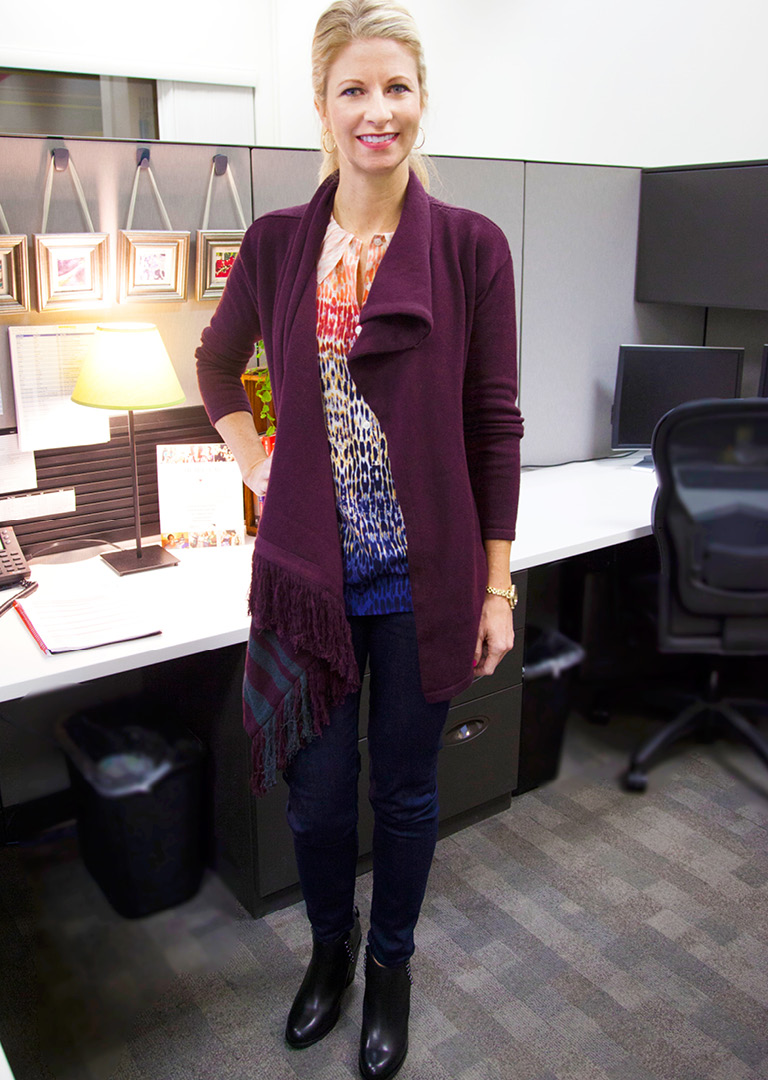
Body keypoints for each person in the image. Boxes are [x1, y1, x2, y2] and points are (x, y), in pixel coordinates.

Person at [195, 1, 523, 1075]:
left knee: (406, 793)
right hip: (311, 578)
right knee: (319, 795)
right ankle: (328, 953)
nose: (377, 111)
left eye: (396, 88)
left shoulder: (469, 247)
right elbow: (216, 363)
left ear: (421, 100)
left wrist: (497, 589)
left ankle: (391, 966)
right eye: (354, 90)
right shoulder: (278, 244)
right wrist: (257, 462)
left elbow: (494, 424)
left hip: (425, 578)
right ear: (323, 106)